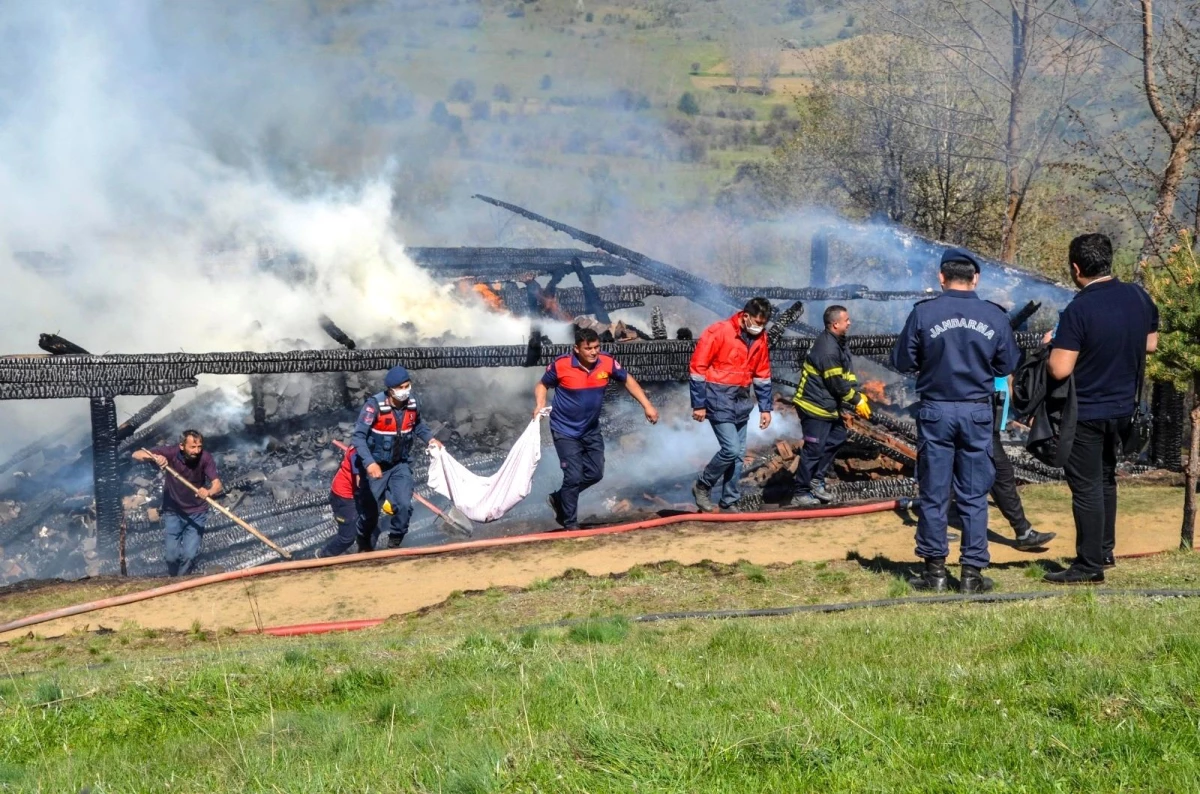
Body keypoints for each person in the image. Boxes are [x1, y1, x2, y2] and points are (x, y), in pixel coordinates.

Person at [890, 249, 1021, 593]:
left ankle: (934, 574)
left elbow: (903, 360)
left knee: (934, 493)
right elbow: (1006, 365)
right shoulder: (994, 316)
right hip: (976, 412)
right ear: (975, 278)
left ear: (941, 278)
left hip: (936, 411)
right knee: (974, 494)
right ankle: (971, 575)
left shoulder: (924, 313)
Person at [1042, 233, 1158, 584]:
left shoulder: (1079, 308)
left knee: (1087, 486)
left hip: (1087, 411)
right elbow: (1150, 344)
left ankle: (1088, 565)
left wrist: (1052, 345)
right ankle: (1105, 550)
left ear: (1076, 268)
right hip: (1124, 407)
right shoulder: (1138, 296)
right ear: (1109, 261)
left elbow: (1060, 368)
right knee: (1107, 479)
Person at [535, 327, 658, 529]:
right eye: (589, 348)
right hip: (565, 430)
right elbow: (542, 385)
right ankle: (570, 524)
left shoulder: (607, 362)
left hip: (591, 429)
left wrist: (647, 405)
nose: (594, 352)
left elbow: (627, 379)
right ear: (577, 349)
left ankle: (560, 498)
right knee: (573, 476)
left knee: (595, 473)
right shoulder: (561, 365)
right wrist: (540, 404)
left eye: (597, 347)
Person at [690, 297, 774, 513]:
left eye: (764, 324)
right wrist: (699, 404)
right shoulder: (718, 332)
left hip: (741, 399)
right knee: (730, 449)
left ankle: (729, 500)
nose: (760, 327)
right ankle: (702, 485)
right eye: (757, 321)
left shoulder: (760, 338)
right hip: (718, 398)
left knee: (738, 456)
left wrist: (765, 408)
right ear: (745, 316)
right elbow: (698, 368)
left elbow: (762, 374)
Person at [787, 305, 870, 507]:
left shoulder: (839, 343)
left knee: (838, 437)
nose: (849, 322)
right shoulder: (827, 350)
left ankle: (816, 480)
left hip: (827, 405)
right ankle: (801, 492)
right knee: (814, 448)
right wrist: (856, 400)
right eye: (846, 320)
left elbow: (846, 374)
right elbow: (836, 384)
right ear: (835, 324)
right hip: (813, 406)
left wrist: (856, 391)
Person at [352, 365, 442, 549]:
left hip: (400, 464)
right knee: (370, 512)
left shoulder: (413, 403)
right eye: (400, 387)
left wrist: (430, 439)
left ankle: (395, 543)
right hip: (376, 465)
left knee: (404, 505)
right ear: (390, 390)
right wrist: (369, 464)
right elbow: (358, 437)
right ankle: (362, 538)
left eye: (407, 386)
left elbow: (418, 425)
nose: (405, 391)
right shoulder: (374, 406)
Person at [132, 430, 222, 577]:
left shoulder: (205, 458)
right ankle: (173, 580)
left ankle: (181, 583)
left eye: (199, 447)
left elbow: (218, 484)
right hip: (173, 512)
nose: (197, 451)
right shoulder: (171, 452)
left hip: (197, 512)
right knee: (171, 557)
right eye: (192, 447)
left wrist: (209, 492)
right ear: (182, 446)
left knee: (189, 555)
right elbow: (136, 454)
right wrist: (155, 458)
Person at [991, 376, 1055, 550]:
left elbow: (1008, 377)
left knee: (999, 476)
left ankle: (933, 530)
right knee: (1002, 475)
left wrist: (1020, 414)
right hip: (982, 420)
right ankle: (1023, 532)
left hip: (991, 419)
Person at [315, 445, 365, 558]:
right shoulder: (358, 451)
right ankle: (323, 556)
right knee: (347, 537)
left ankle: (366, 554)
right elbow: (360, 482)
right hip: (345, 497)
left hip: (356, 494)